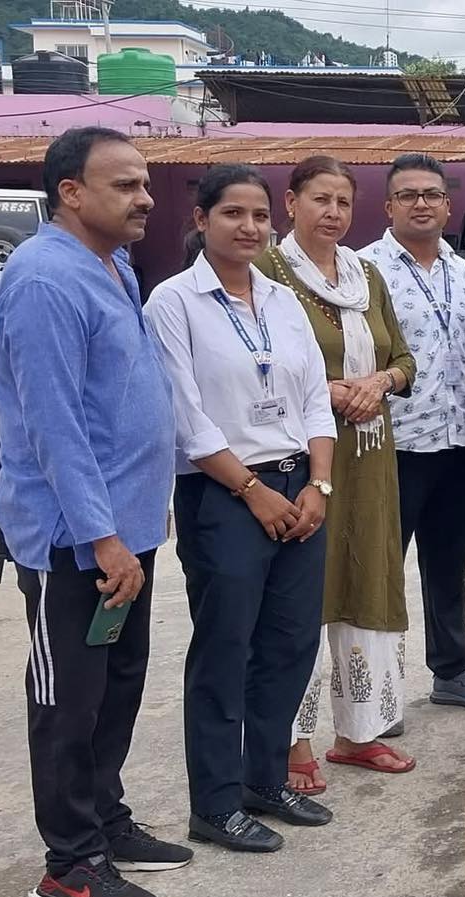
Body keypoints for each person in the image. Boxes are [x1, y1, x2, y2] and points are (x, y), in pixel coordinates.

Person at [0, 126, 190, 897]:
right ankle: (68, 864)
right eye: (126, 185)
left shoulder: (112, 264)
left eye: (146, 183)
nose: (146, 199)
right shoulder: (43, 280)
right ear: (70, 192)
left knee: (117, 683)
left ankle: (105, 820)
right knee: (68, 700)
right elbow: (55, 425)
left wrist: (138, 516)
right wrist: (102, 536)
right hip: (72, 541)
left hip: (125, 531)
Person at [145, 164, 336, 854]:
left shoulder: (283, 301)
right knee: (226, 648)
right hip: (224, 494)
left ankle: (265, 778)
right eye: (232, 213)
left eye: (259, 215)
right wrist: (253, 493)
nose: (249, 227)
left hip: (299, 488)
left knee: (289, 643)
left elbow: (315, 399)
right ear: (201, 220)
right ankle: (216, 802)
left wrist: (319, 485)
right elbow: (186, 417)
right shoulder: (172, 303)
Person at [257, 155, 418, 791]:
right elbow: (260, 360)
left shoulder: (365, 275)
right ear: (290, 202)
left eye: (343, 202)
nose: (332, 213)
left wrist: (380, 382)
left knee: (366, 581)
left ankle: (359, 733)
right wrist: (325, 390)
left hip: (370, 456)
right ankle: (290, 742)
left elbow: (402, 357)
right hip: (300, 455)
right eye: (320, 199)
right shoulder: (267, 272)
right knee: (302, 593)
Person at [357, 153, 465, 714]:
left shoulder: (460, 269)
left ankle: (452, 671)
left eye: (432, 195)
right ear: (388, 206)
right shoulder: (362, 269)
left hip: (457, 438)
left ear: (447, 205)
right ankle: (376, 694)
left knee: (448, 567)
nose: (421, 204)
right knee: (379, 572)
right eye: (408, 195)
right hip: (391, 443)